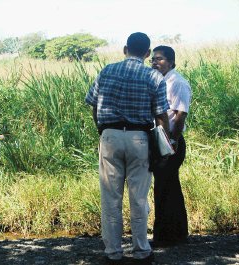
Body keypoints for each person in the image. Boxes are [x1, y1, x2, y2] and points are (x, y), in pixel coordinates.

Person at [85, 32, 170, 265]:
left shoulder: (107, 71)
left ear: (125, 49)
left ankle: (113, 252)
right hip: (139, 138)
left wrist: (102, 130)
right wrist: (164, 143)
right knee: (139, 197)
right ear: (147, 53)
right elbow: (162, 115)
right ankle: (141, 250)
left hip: (110, 135)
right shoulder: (153, 76)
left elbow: (93, 104)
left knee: (111, 197)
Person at [150, 46, 192, 247]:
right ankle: (172, 234)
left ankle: (170, 235)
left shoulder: (178, 83)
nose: (155, 62)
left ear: (171, 62)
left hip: (171, 141)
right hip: (161, 139)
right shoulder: (160, 82)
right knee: (166, 186)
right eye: (153, 59)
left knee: (167, 187)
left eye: (159, 59)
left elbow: (180, 115)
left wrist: (173, 141)